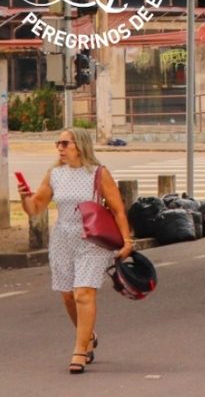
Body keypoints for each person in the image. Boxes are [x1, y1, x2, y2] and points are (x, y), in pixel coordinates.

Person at [17, 128, 135, 373]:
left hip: (92, 240)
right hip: (63, 239)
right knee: (68, 295)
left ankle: (80, 351)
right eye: (57, 143)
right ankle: (88, 336)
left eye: (64, 143)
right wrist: (25, 198)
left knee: (83, 293)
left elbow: (118, 209)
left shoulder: (98, 174)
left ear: (80, 146)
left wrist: (126, 240)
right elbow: (35, 207)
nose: (59, 148)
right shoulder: (55, 174)